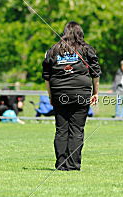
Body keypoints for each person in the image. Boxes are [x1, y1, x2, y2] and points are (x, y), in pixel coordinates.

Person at [42, 21, 101, 171]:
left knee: (61, 129)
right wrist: (96, 93)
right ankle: (73, 165)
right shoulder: (86, 49)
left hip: (59, 93)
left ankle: (61, 164)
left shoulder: (53, 50)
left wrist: (50, 95)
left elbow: (46, 76)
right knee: (76, 129)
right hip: (80, 93)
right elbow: (95, 73)